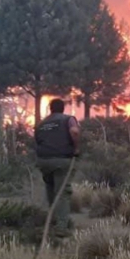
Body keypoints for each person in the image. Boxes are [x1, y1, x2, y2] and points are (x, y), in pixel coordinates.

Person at [34, 98, 80, 237]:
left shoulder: (41, 124)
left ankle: (53, 220)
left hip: (43, 161)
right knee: (62, 193)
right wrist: (77, 148)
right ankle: (61, 227)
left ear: (51, 109)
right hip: (62, 160)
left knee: (51, 190)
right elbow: (75, 132)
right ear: (63, 108)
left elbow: (37, 140)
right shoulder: (68, 119)